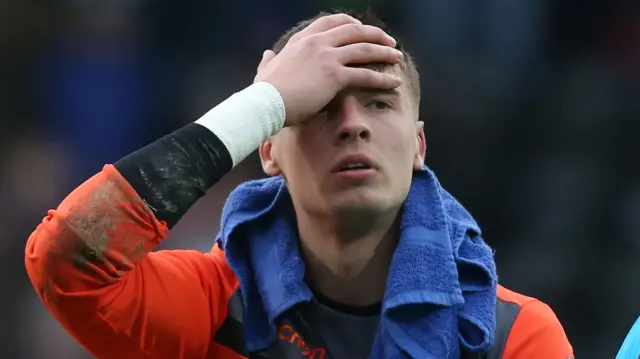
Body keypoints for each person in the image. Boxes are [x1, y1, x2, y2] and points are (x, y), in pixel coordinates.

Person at [25, 11, 574, 359]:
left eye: (380, 104)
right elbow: (65, 261)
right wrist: (264, 101)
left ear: (419, 147)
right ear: (267, 147)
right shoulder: (213, 308)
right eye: (318, 109)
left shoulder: (512, 339)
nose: (353, 124)